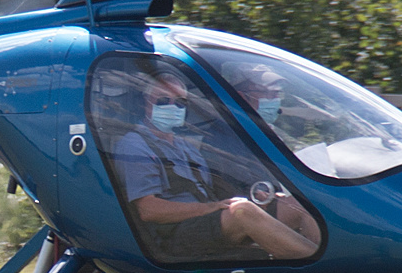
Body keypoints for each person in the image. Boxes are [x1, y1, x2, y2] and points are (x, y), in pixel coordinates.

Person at [112, 72, 319, 262]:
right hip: (175, 233)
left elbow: (216, 189)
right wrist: (211, 207)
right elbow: (148, 210)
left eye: (181, 102)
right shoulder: (135, 144)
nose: (173, 107)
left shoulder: (185, 146)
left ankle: (328, 259)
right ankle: (316, 266)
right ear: (145, 104)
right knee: (242, 211)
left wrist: (259, 200)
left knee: (298, 204)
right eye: (164, 100)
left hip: (211, 222)